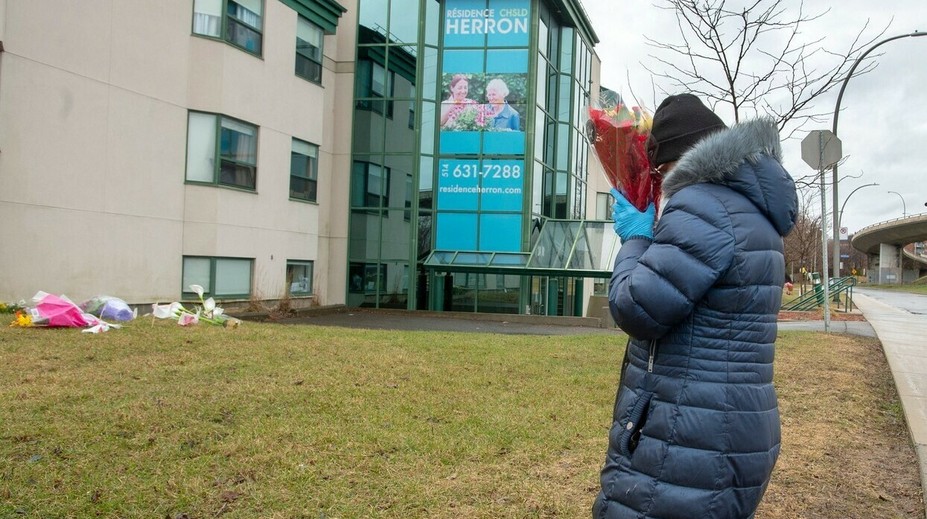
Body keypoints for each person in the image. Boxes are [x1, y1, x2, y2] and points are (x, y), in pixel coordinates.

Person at [593, 94, 798, 519]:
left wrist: (636, 237)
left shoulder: (701, 203)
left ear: (677, 165)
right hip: (728, 424)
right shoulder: (751, 208)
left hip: (690, 433)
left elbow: (636, 307)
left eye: (659, 173)